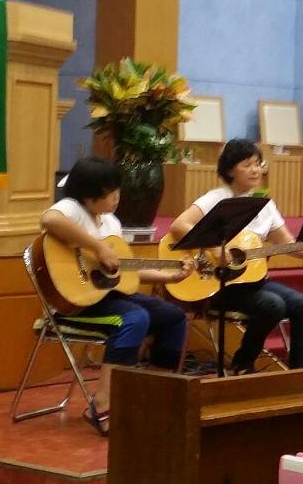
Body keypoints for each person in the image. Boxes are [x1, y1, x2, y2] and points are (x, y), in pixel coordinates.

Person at [40, 156, 191, 436]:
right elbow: (49, 220)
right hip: (75, 302)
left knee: (173, 316)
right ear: (89, 197)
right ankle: (102, 403)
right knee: (135, 318)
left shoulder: (111, 223)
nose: (117, 198)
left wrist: (169, 276)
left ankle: (152, 394)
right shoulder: (71, 209)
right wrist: (98, 248)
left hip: (107, 297)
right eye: (110, 193)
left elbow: (124, 270)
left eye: (117, 191)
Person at [169, 139, 303, 374]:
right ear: (230, 170)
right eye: (247, 165)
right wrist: (215, 248)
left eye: (257, 164)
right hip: (219, 284)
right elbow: (178, 226)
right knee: (273, 305)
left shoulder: (265, 205)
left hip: (253, 282)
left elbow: (286, 244)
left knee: (302, 303)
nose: (255, 170)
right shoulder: (216, 198)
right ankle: (243, 363)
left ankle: (300, 374)